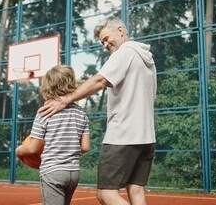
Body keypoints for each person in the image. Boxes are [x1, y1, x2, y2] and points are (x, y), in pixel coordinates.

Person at [38, 16, 157, 205]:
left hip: (123, 135)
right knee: (136, 189)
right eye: (102, 41)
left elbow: (99, 81)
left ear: (120, 30)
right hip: (147, 136)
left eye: (107, 38)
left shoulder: (124, 53)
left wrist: (66, 99)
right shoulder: (147, 60)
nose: (105, 44)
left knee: (106, 194)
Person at [16, 65, 90, 205]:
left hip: (52, 172)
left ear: (48, 86)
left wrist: (19, 150)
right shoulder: (81, 113)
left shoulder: (45, 112)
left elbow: (32, 148)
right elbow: (85, 147)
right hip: (73, 173)